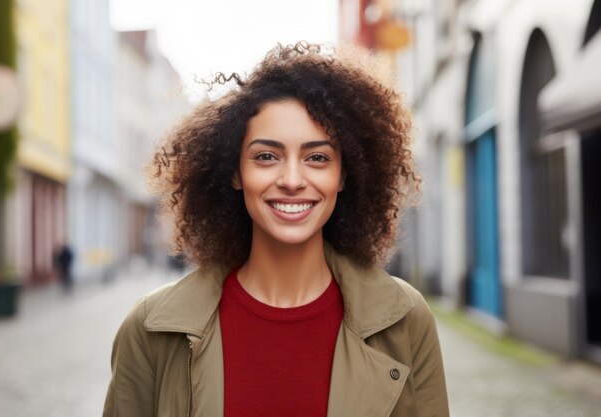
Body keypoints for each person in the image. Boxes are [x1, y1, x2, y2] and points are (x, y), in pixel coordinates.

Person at [103, 42, 449, 417]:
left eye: (317, 158)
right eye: (266, 156)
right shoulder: (151, 328)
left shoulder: (405, 319)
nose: (292, 180)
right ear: (236, 173)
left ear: (344, 175)